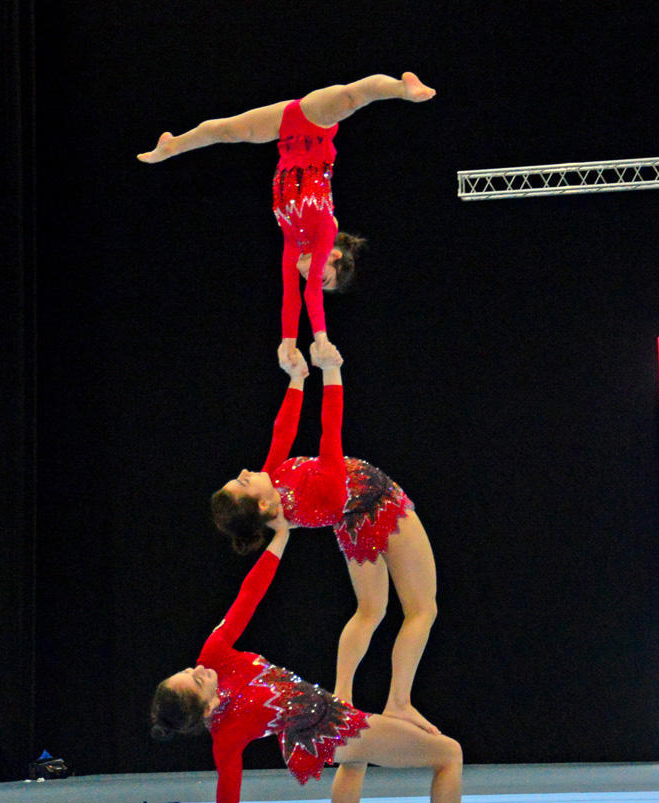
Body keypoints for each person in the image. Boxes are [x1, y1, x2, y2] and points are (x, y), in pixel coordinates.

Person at [150, 517, 500, 803]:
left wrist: (281, 537)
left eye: (188, 670)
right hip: (327, 729)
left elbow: (249, 594)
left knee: (356, 762)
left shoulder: (214, 654)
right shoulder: (226, 736)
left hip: (322, 716)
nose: (200, 669)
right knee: (449, 754)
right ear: (208, 708)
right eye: (198, 680)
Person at [210, 343, 440, 735]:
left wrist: (297, 379)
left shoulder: (274, 490)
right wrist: (331, 370)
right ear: (261, 503)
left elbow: (283, 431)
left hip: (352, 520)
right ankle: (399, 702)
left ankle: (342, 702)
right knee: (422, 609)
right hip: (380, 503)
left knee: (370, 611)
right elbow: (330, 429)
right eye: (243, 481)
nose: (246, 471)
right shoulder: (319, 491)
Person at [137, 73, 435, 363]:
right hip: (315, 122)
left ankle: (172, 146)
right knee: (350, 97)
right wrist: (321, 338)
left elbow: (292, 297)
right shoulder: (324, 232)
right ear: (333, 256)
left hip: (285, 130)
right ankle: (403, 88)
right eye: (325, 277)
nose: (312, 277)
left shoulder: (294, 246)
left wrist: (287, 343)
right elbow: (311, 292)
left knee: (227, 131)